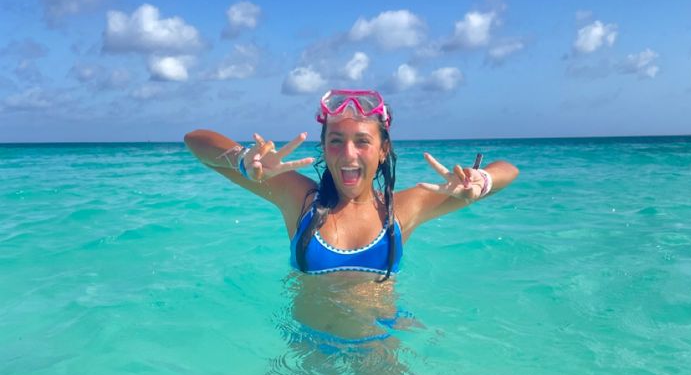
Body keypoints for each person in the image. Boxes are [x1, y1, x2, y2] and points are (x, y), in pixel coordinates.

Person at [184, 89, 519, 288]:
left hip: (380, 354)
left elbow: (509, 170)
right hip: (311, 355)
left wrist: (482, 181)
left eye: (362, 142)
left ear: (383, 150)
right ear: (324, 148)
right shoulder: (300, 201)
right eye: (336, 141)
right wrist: (244, 159)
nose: (348, 154)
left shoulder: (401, 210)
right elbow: (197, 142)